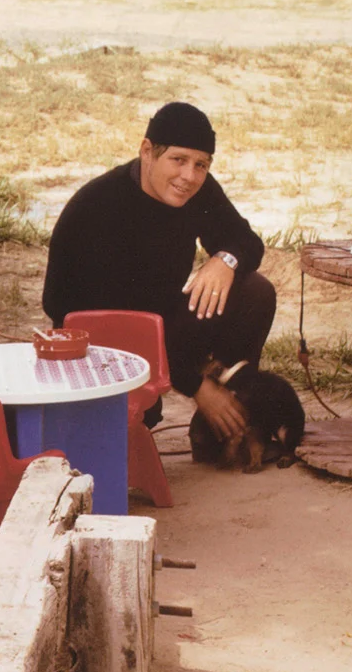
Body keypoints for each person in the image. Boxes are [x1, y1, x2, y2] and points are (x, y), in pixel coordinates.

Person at [41, 101, 275, 450]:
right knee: (126, 430)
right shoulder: (99, 208)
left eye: (201, 165)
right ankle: (200, 403)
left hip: (159, 326)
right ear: (147, 151)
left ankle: (222, 435)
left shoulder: (197, 190)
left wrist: (224, 260)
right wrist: (196, 384)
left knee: (255, 291)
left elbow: (246, 242)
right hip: (100, 348)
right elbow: (74, 315)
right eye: (178, 160)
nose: (189, 177)